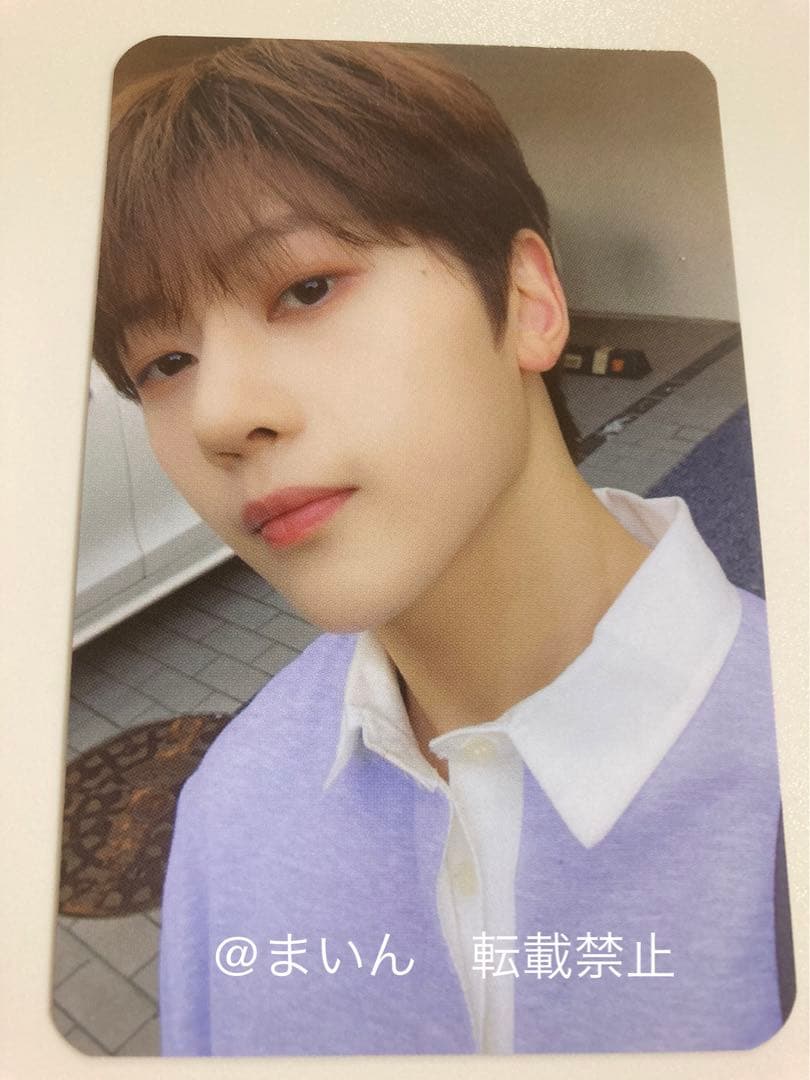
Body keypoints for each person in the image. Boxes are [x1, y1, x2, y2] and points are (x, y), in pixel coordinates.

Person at [92, 39, 787, 1056]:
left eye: (306, 289)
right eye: (163, 362)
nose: (219, 416)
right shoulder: (227, 815)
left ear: (530, 302)